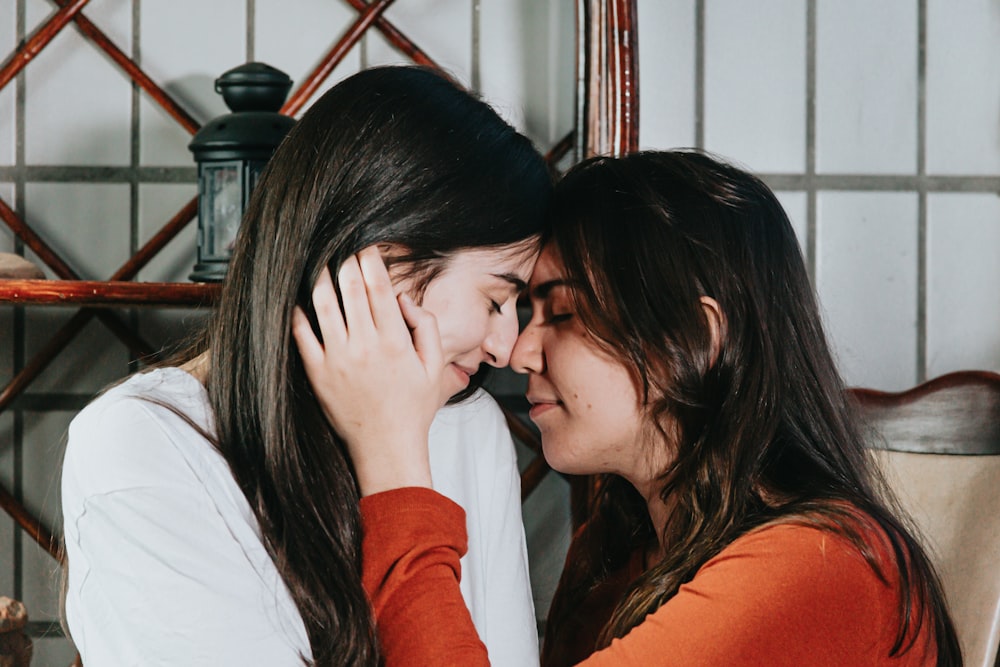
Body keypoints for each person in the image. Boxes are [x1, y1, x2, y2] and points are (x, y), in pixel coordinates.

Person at [296, 150, 962, 666]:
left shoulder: (822, 567)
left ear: (696, 336)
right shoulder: (620, 552)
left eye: (561, 310)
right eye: (521, 308)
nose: (519, 351)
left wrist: (391, 461)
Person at [60, 65, 550, 667]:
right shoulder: (143, 445)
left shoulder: (468, 427)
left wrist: (394, 461)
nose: (506, 349)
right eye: (497, 300)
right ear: (377, 265)